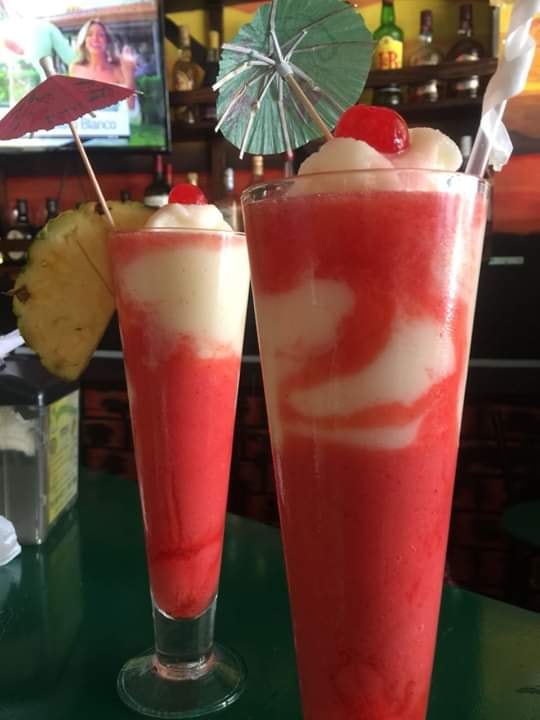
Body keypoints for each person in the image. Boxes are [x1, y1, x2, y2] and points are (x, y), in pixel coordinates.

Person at [70, 19, 137, 109]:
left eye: (101, 35)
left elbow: (130, 106)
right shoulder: (75, 69)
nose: (95, 38)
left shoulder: (118, 70)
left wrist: (129, 73)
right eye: (89, 34)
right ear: (84, 40)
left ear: (107, 41)